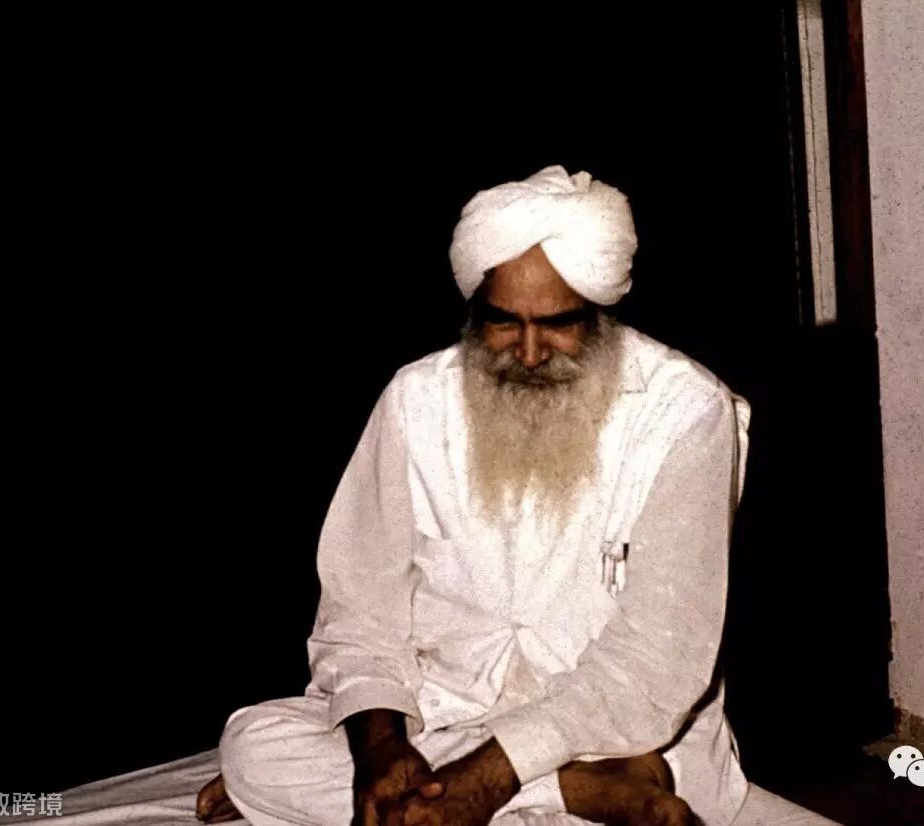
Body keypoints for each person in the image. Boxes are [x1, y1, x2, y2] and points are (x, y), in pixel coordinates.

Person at [196, 166, 757, 826]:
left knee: (648, 782)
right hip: (449, 712)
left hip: (620, 730)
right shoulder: (416, 400)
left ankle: (570, 783)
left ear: (598, 313)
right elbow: (359, 608)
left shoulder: (686, 412)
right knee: (253, 746)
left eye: (558, 324)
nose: (530, 352)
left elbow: (657, 660)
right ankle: (575, 793)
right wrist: (378, 748)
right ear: (475, 310)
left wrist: (491, 775)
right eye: (502, 322)